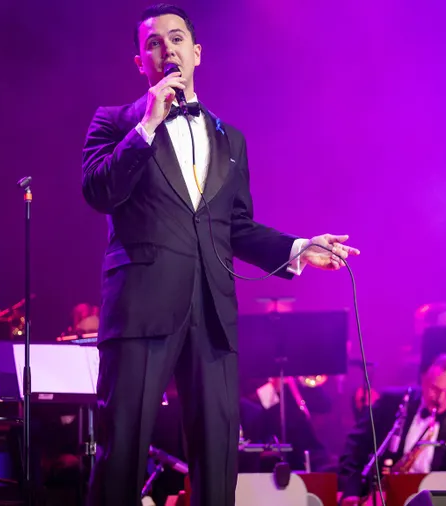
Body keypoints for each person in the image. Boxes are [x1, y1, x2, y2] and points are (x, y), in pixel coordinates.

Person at [80, 4, 360, 505]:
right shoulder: (115, 122)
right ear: (141, 62)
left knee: (217, 456)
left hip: (212, 311)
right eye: (153, 43)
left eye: (176, 39)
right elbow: (99, 191)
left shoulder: (231, 139)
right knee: (122, 448)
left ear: (197, 53)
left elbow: (237, 227)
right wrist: (146, 126)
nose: (167, 50)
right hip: (142, 308)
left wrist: (299, 248)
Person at [338, 354, 446, 505]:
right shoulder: (391, 402)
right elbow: (356, 447)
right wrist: (351, 491)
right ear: (423, 380)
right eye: (435, 389)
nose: (440, 399)